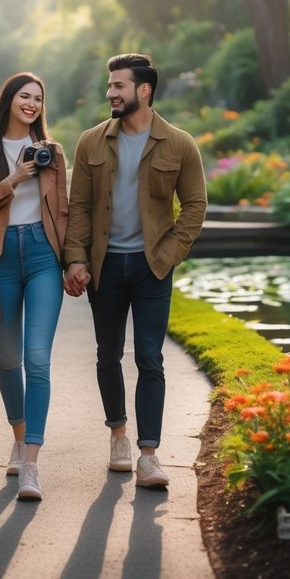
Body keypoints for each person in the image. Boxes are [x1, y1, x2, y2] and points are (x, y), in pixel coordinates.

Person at [63, 53, 206, 489]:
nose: (111, 93)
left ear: (143, 91)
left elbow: (195, 206)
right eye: (110, 86)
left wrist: (168, 253)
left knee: (150, 358)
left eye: (119, 86)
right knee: (109, 356)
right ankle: (118, 438)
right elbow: (80, 207)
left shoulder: (179, 143)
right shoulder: (91, 141)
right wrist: (76, 259)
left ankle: (149, 455)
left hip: (152, 268)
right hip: (104, 267)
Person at [0, 72, 69, 501]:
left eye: (39, 99)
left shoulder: (53, 152)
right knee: (9, 360)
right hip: (2, 258)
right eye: (25, 96)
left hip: (44, 256)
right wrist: (13, 179)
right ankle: (18, 435)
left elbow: (65, 211)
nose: (32, 104)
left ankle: (31, 462)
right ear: (9, 99)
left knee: (37, 359)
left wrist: (73, 260)